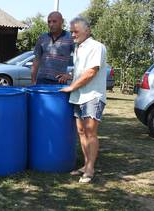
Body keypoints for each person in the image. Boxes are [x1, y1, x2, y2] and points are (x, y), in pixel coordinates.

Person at [60, 16, 107, 184]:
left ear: (87, 30)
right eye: (71, 31)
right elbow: (81, 71)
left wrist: (71, 87)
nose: (72, 34)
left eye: (75, 31)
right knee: (81, 132)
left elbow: (91, 72)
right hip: (79, 96)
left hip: (92, 96)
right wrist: (70, 76)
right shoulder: (78, 48)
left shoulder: (97, 47)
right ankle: (85, 164)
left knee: (90, 132)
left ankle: (90, 169)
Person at [31, 11, 74, 85]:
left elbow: (81, 59)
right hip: (42, 80)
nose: (51, 24)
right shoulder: (42, 38)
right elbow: (36, 59)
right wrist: (33, 80)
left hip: (59, 81)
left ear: (62, 21)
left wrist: (71, 74)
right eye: (49, 22)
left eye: (54, 21)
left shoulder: (70, 38)